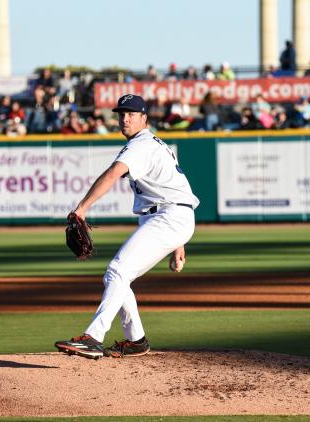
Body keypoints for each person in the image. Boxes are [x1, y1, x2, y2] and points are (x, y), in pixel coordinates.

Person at [54, 94, 199, 359]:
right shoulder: (154, 144)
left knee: (117, 272)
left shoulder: (141, 145)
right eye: (121, 114)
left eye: (131, 114)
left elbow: (112, 174)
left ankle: (94, 337)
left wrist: (82, 208)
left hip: (169, 216)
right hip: (171, 216)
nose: (125, 118)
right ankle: (136, 341)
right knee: (119, 276)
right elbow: (175, 188)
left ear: (144, 118)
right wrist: (178, 242)